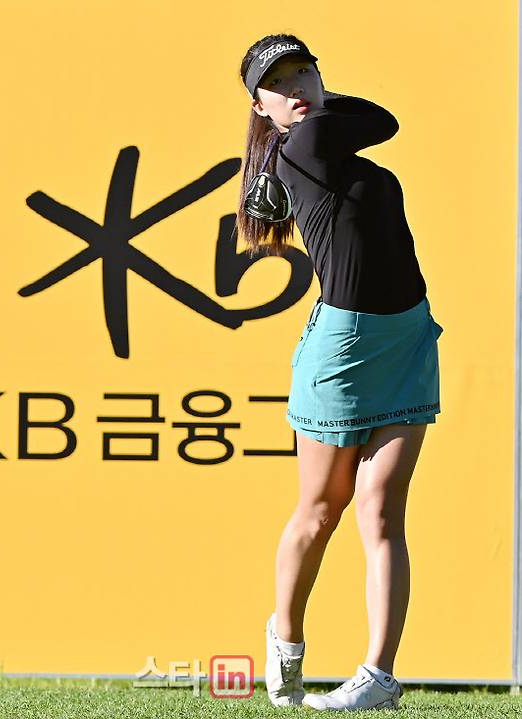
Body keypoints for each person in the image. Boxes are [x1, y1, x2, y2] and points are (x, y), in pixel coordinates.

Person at [236, 34, 445, 712]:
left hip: (407, 337)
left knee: (382, 509)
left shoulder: (323, 137)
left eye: (306, 71)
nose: (297, 86)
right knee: (322, 510)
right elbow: (385, 119)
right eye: (279, 82)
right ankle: (285, 638)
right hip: (345, 349)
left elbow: (372, 124)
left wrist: (311, 98)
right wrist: (312, 106)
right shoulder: (304, 143)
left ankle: (378, 676)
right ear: (259, 106)